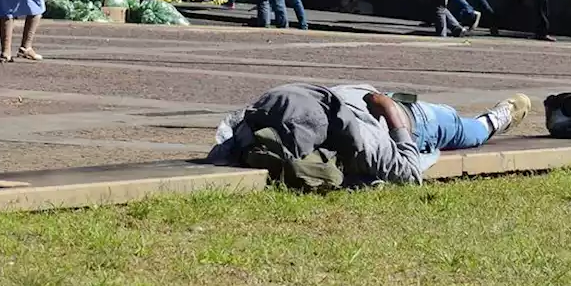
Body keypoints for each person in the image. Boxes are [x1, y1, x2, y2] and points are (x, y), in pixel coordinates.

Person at [210, 82, 531, 188]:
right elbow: (406, 172)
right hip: (400, 115)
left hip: (406, 114)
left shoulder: (281, 103)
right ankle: (492, 120)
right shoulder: (277, 104)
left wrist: (387, 106)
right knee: (467, 130)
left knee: (467, 128)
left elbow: (407, 173)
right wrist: (388, 108)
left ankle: (495, 119)